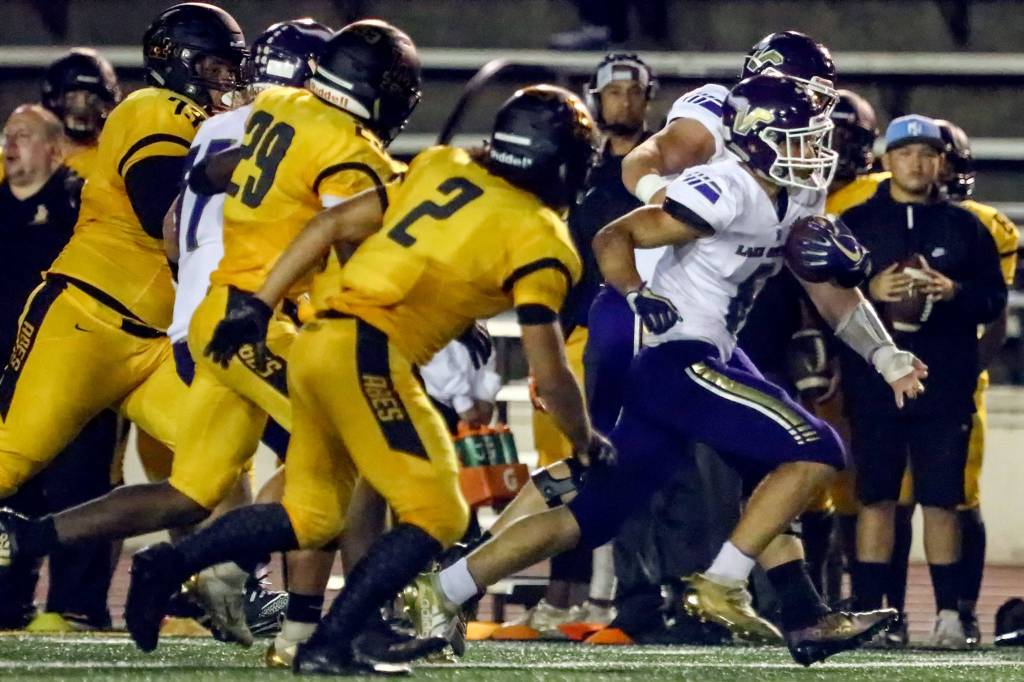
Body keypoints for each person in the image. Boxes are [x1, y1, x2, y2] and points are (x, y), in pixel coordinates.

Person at [406, 75, 922, 668]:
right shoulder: (724, 187)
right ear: (756, 137)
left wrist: (885, 355)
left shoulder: (794, 191)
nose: (814, 153)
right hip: (673, 353)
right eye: (798, 139)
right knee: (815, 448)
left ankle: (441, 591)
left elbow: (827, 290)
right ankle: (721, 585)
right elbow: (614, 233)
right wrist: (633, 291)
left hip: (707, 348)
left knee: (590, 515)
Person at [120, 84, 605, 677]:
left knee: (313, 515)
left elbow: (332, 223)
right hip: (371, 354)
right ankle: (335, 641)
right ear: (561, 166)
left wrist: (257, 304)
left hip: (317, 339)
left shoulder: (440, 164)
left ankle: (171, 565)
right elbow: (550, 374)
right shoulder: (543, 236)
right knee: (440, 514)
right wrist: (585, 441)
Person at [612, 29, 849, 641]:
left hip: (719, 327)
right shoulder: (721, 121)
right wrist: (672, 206)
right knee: (792, 452)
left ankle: (802, 616)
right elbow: (640, 166)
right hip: (654, 310)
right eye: (807, 91)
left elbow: (811, 269)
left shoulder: (798, 158)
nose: (819, 106)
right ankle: (705, 590)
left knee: (601, 488)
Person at [0, 1, 245, 569]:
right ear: (179, 63)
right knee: (8, 462)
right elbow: (163, 209)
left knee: (215, 462)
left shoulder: (215, 126)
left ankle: (223, 585)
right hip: (87, 322)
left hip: (157, 345)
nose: (227, 80)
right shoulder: (155, 107)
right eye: (214, 67)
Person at [839, 115, 1007, 649]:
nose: (915, 162)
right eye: (905, 151)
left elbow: (996, 303)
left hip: (945, 379)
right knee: (876, 497)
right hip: (874, 382)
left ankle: (950, 615)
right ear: (886, 159)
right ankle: (873, 614)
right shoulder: (857, 221)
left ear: (942, 161)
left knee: (941, 499)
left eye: (926, 153)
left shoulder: (968, 227)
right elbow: (822, 299)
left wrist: (954, 291)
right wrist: (869, 286)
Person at [511, 52, 656, 640]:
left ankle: (623, 596)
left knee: (630, 463)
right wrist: (541, 350)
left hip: (641, 332)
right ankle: (562, 597)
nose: (622, 101)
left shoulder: (659, 169)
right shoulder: (580, 171)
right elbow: (556, 266)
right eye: (613, 91)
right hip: (576, 335)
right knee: (569, 466)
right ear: (596, 97)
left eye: (633, 91)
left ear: (648, 98)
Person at [885, 118, 1019, 648]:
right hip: (888, 378)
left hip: (957, 380)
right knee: (887, 497)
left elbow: (994, 316)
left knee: (958, 497)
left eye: (942, 159)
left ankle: (960, 609)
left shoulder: (981, 226)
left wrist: (963, 372)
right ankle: (883, 608)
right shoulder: (877, 214)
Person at [0, 104, 122, 631]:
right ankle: (7, 602)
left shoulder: (82, 201)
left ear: (53, 149)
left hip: (74, 370)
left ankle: (76, 605)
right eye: (7, 134)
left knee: (80, 485)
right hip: (7, 377)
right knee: (11, 488)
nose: (10, 143)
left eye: (23, 135)